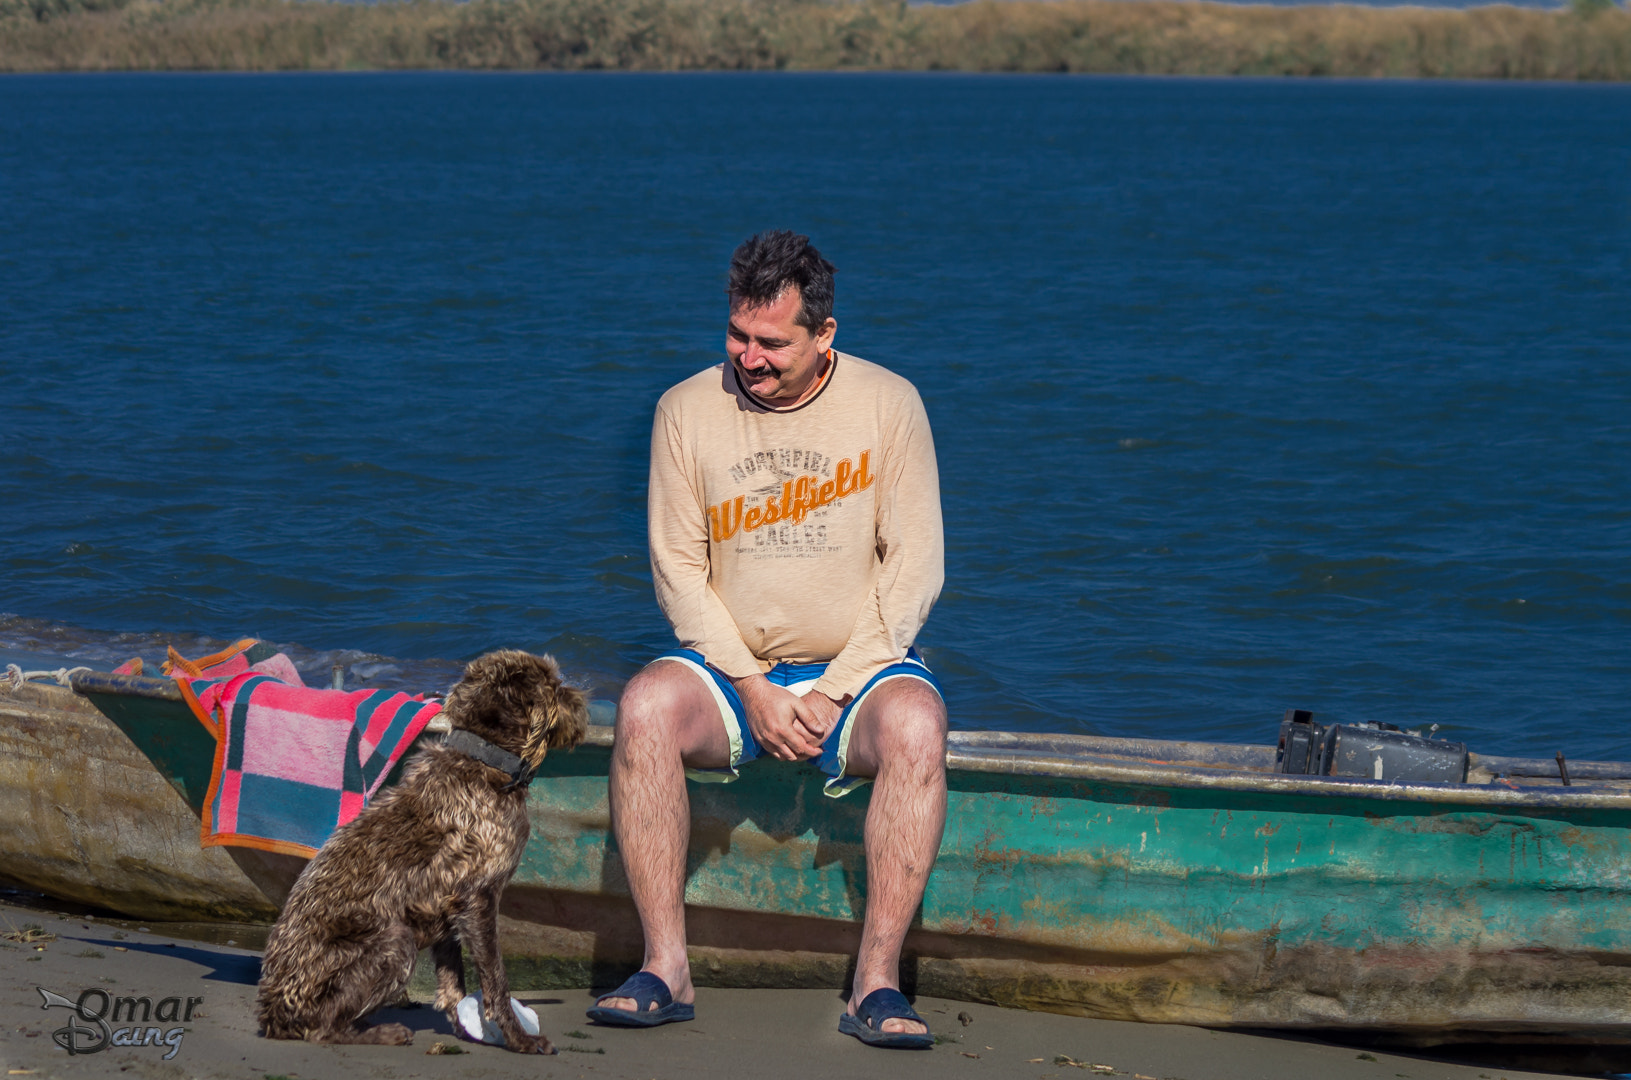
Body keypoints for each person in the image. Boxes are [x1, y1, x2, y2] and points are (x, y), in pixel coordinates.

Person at [585, 230, 947, 1049]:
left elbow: (915, 569)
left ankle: (875, 984)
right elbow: (677, 571)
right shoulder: (683, 409)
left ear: (824, 335)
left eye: (771, 343)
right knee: (643, 706)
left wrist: (831, 691)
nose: (748, 358)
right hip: (727, 668)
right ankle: (664, 968)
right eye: (737, 336)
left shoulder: (890, 404)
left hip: (857, 669)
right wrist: (752, 686)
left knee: (919, 727)